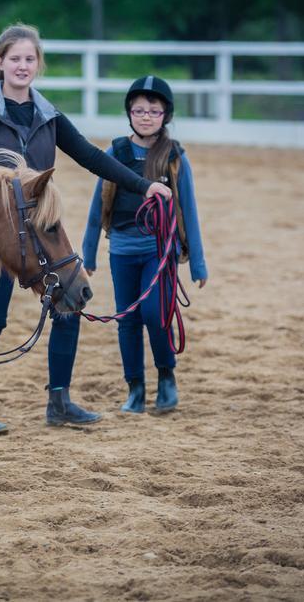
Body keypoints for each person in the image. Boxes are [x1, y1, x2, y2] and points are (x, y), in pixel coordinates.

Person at [0, 24, 171, 432]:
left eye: (30, 59)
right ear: (0, 63)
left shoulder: (49, 116)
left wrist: (144, 183)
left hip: (41, 223)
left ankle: (59, 401)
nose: (23, 66)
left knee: (69, 303)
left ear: (38, 64)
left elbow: (91, 158)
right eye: (15, 59)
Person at [82, 76, 208, 414]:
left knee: (156, 313)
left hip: (159, 250)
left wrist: (197, 263)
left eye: (153, 110)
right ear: (129, 113)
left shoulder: (174, 156)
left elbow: (190, 210)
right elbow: (97, 207)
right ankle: (135, 388)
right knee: (128, 320)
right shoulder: (116, 153)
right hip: (121, 250)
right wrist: (89, 254)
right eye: (139, 110)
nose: (146, 116)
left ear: (165, 114)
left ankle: (166, 377)